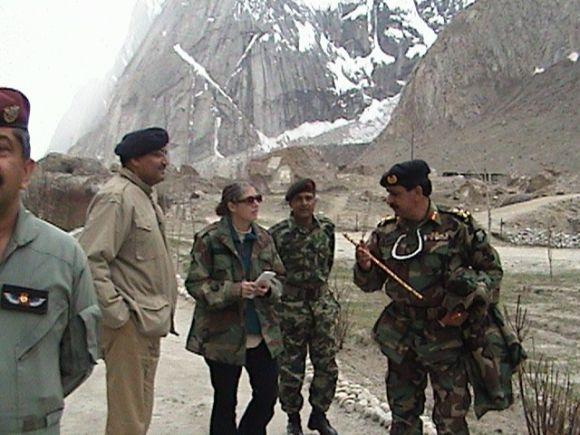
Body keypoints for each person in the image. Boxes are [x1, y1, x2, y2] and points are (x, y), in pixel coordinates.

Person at [353, 160, 504, 435]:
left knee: (451, 421)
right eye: (389, 195)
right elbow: (369, 284)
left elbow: (492, 272)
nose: (389, 201)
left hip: (446, 338)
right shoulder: (386, 233)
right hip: (401, 338)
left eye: (396, 195)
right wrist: (364, 266)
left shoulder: (457, 228)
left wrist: (469, 303)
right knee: (403, 419)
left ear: (418, 192)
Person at [0, 87, 100, 434]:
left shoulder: (62, 256)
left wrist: (25, 403)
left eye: (1, 149)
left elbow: (77, 360)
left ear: (27, 171)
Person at [79, 127, 178, 435]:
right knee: (128, 420)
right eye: (157, 154)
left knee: (138, 414)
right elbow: (91, 259)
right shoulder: (117, 197)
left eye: (165, 153)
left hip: (147, 323)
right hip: (130, 327)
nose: (165, 161)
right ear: (135, 160)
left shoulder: (144, 196)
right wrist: (118, 316)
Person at [185, 182, 285, 435]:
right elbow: (196, 284)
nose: (256, 204)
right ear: (231, 206)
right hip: (223, 336)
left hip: (262, 335)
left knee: (267, 397)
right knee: (225, 402)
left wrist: (269, 289)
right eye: (249, 200)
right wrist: (233, 290)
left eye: (258, 198)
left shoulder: (264, 238)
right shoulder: (209, 239)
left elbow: (281, 279)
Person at [269, 179, 339, 435]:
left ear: (315, 200)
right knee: (290, 367)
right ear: (290, 203)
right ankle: (293, 418)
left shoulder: (327, 229)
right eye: (299, 199)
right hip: (291, 308)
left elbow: (328, 263)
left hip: (321, 305)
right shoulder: (278, 234)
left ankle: (319, 415)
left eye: (309, 198)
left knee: (327, 364)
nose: (304, 203)